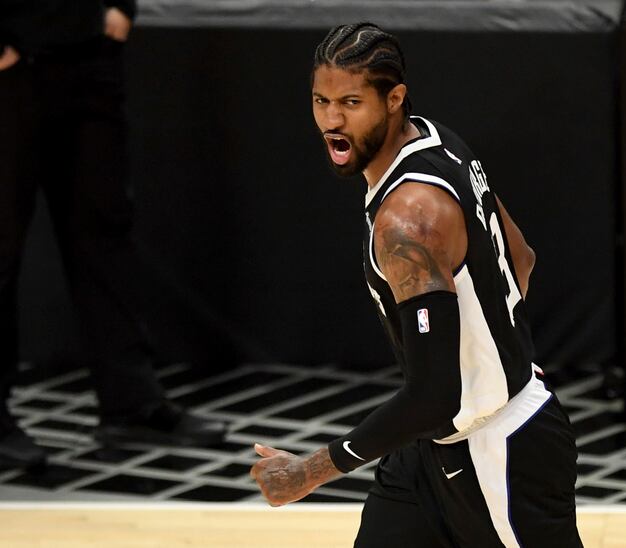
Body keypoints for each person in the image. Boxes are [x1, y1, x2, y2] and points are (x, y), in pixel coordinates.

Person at [250, 22, 582, 548]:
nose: (331, 121)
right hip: (430, 447)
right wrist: (501, 353)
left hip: (496, 452)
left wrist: (307, 473)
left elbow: (433, 395)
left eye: (351, 103)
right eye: (321, 101)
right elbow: (522, 258)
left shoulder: (408, 219)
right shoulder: (441, 142)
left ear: (393, 99)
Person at [0, 1, 227, 468]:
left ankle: (131, 406)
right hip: (9, 69)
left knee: (105, 233)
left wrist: (121, 7)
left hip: (88, 55)